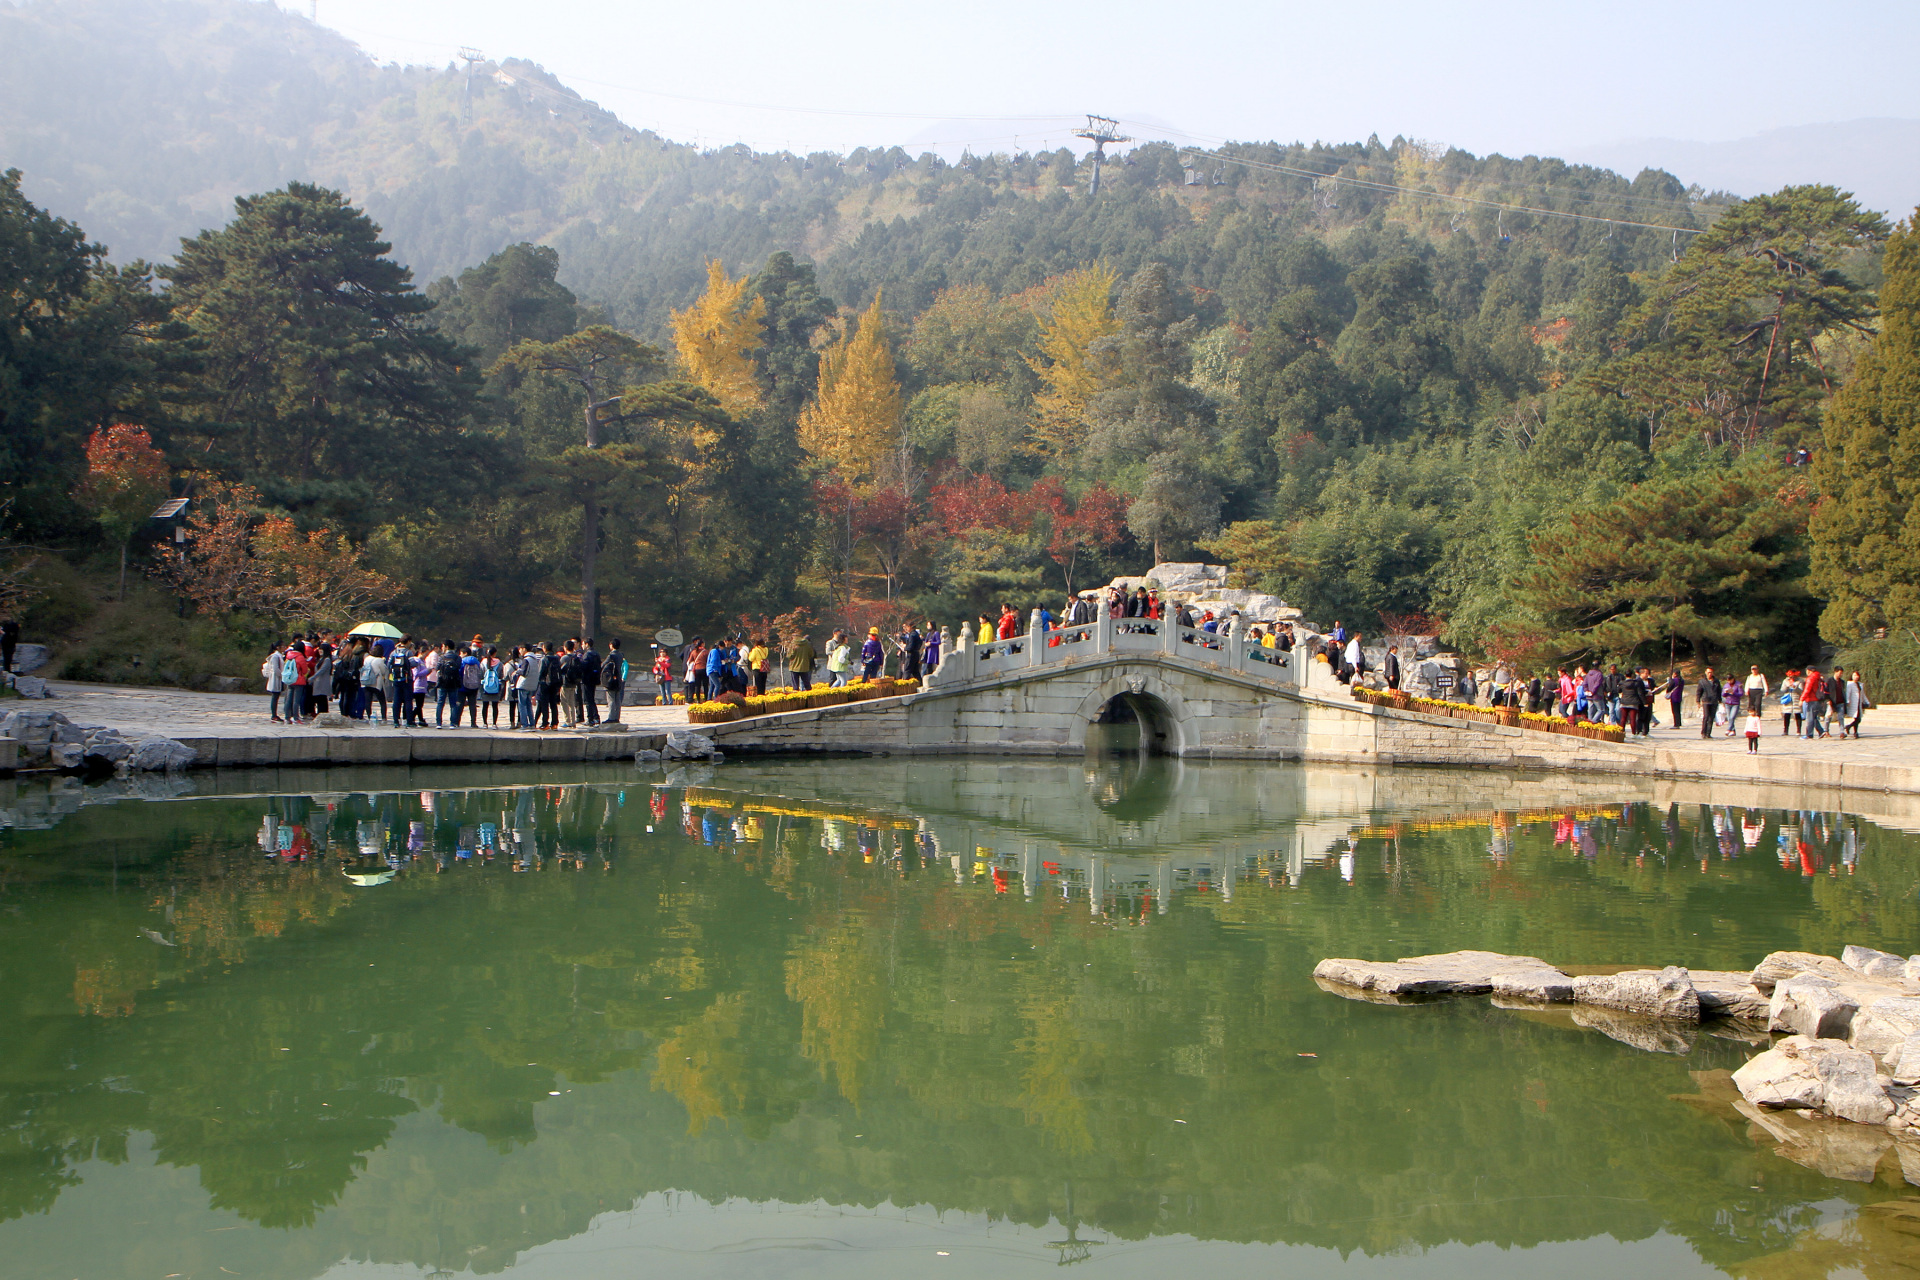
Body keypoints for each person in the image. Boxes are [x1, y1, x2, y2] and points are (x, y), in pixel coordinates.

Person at [361, 644, 390, 723]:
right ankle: (383, 717)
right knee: (382, 701)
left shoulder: (366, 658)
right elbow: (383, 671)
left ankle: (369, 716)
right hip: (376, 683)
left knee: (368, 700)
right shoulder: (379, 660)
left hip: (366, 681)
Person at [478, 647, 505, 727]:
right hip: (496, 687)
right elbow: (501, 675)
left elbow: (481, 674)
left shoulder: (483, 662)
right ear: (495, 653)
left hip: (485, 686)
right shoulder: (499, 663)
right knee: (495, 706)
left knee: (485, 705)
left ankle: (485, 723)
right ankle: (494, 723)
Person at [602, 639, 626, 723]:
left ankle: (611, 717)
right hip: (618, 679)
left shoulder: (611, 655)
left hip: (611, 679)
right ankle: (616, 717)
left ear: (612, 645)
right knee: (617, 699)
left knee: (611, 699)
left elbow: (604, 664)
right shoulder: (620, 655)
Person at [1801, 666, 1828, 739]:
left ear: (1809, 671)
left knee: (1810, 718)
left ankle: (1809, 734)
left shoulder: (1811, 678)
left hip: (1812, 700)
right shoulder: (1818, 677)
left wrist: (1802, 699)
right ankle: (1821, 731)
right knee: (1814, 717)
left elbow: (1807, 689)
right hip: (1818, 700)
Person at [309, 643, 334, 716]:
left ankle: (323, 715)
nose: (320, 651)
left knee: (322, 700)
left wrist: (312, 678)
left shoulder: (327, 660)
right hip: (318, 682)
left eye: (322, 649)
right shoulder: (320, 659)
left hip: (323, 683)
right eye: (319, 649)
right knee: (319, 700)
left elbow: (321, 670)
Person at [263, 643, 286, 721]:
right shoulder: (275, 656)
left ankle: (274, 714)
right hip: (276, 678)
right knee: (275, 696)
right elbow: (276, 669)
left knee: (276, 696)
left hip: (278, 678)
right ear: (278, 647)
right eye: (283, 646)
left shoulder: (279, 656)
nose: (284, 648)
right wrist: (282, 675)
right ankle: (274, 715)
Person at [1696, 667, 1721, 738]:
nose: (1710, 674)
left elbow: (1719, 691)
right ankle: (1703, 732)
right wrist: (1698, 701)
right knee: (1706, 717)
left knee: (1711, 718)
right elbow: (1699, 692)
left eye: (1711, 672)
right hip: (1706, 701)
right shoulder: (1702, 682)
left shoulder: (1716, 681)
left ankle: (1708, 733)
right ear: (1706, 673)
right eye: (1708, 672)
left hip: (1714, 701)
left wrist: (1720, 700)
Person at [1844, 670, 1870, 737]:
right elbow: (1848, 693)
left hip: (1859, 703)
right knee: (1857, 718)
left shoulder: (1860, 684)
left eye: (1857, 675)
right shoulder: (1850, 684)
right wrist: (1847, 701)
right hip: (1853, 703)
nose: (1856, 677)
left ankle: (1849, 727)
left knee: (1858, 719)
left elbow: (1863, 694)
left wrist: (1867, 702)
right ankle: (1855, 732)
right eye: (1854, 675)